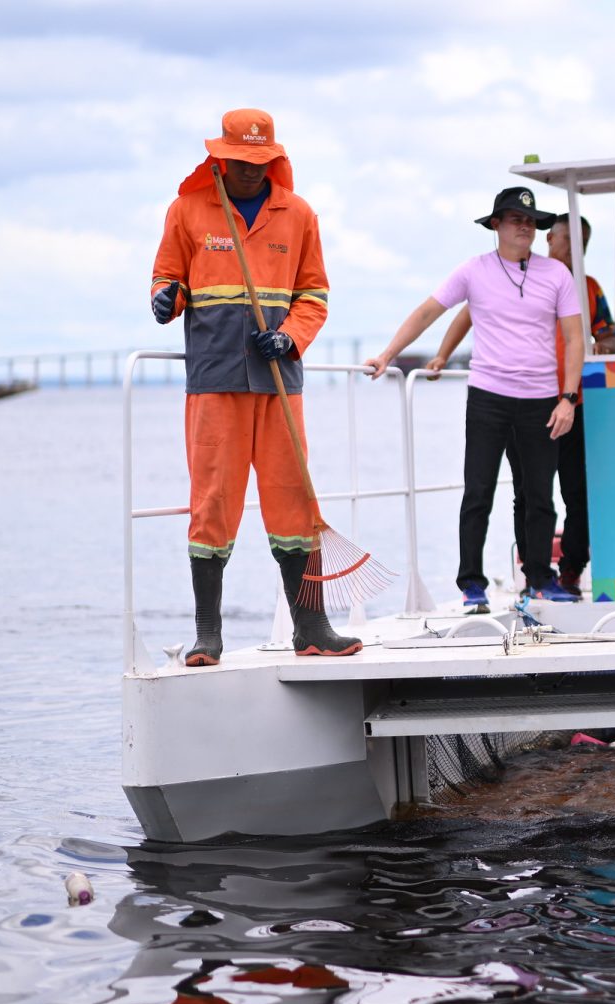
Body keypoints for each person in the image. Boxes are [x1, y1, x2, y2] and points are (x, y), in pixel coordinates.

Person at [150, 107, 359, 666]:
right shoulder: (187, 209)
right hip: (214, 378)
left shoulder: (300, 214)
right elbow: (165, 277)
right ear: (220, 156)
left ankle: (312, 628)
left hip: (278, 380)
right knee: (213, 500)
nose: (249, 170)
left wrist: (290, 337)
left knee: (293, 497)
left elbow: (315, 295)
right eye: (240, 161)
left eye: (259, 161)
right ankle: (207, 634)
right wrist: (164, 299)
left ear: (274, 159)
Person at [364, 186, 584, 607]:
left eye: (531, 221)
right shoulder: (474, 270)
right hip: (489, 396)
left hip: (542, 399)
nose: (525, 227)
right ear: (496, 225)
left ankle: (539, 577)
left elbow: (575, 340)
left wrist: (567, 399)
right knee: (478, 492)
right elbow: (429, 311)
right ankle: (472, 585)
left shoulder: (557, 274)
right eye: (515, 219)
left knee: (538, 495)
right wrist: (388, 355)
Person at [427, 213, 615, 597]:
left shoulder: (587, 287)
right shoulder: (506, 276)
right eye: (571, 241)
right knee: (527, 491)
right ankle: (531, 573)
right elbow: (466, 315)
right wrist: (442, 356)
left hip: (574, 401)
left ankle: (570, 570)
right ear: (551, 240)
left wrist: (597, 360)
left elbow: (605, 335)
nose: (577, 250)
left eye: (585, 243)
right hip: (526, 400)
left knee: (576, 491)